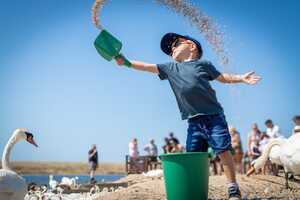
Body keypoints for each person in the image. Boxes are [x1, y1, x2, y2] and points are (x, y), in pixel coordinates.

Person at [115, 32, 261, 199]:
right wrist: (126, 62)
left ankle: (233, 187)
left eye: (175, 43)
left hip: (214, 117)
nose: (172, 49)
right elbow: (147, 67)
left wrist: (241, 78)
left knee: (223, 150)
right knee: (193, 157)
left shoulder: (203, 64)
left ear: (191, 46)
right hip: (193, 122)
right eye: (169, 50)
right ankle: (194, 190)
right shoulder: (171, 68)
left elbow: (223, 78)